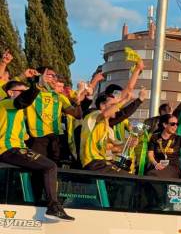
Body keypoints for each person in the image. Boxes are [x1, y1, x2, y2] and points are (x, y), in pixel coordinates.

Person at [0, 79, 73, 221]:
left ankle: (40, 201)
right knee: (50, 166)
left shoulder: (17, 111)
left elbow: (23, 134)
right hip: (8, 148)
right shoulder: (5, 103)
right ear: (10, 93)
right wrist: (38, 85)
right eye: (22, 92)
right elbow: (22, 102)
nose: (25, 94)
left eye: (26, 92)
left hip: (15, 147)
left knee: (41, 166)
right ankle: (53, 207)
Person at [25, 66, 87, 163]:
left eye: (55, 76)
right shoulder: (30, 93)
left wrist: (78, 103)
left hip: (56, 138)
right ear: (40, 76)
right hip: (37, 138)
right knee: (38, 167)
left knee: (55, 167)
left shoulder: (60, 97)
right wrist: (25, 77)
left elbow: (77, 115)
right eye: (51, 76)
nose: (55, 79)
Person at [80, 88, 147, 173]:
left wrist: (129, 143)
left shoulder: (107, 128)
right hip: (93, 162)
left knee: (127, 176)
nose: (117, 109)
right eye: (113, 105)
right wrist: (126, 100)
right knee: (126, 178)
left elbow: (112, 149)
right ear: (102, 106)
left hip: (103, 162)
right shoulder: (94, 114)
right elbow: (106, 114)